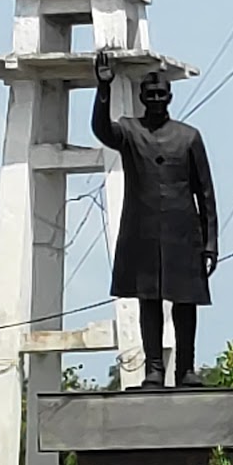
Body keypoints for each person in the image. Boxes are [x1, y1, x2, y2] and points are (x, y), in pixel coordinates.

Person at [92, 50, 219, 388]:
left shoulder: (189, 136)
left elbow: (205, 192)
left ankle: (186, 368)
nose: (156, 99)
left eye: (162, 94)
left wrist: (210, 243)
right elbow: (102, 131)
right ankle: (154, 369)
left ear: (170, 97)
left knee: (185, 301)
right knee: (148, 300)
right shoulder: (130, 132)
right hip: (143, 231)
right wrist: (102, 90)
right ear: (141, 97)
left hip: (183, 233)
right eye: (150, 95)